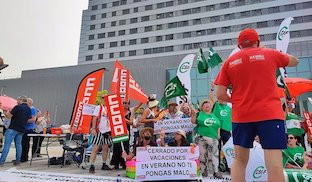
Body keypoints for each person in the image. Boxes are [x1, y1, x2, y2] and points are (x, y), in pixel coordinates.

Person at [214, 28, 299, 182]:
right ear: (258, 42)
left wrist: (237, 100)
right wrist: (271, 53)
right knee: (274, 165)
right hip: (270, 115)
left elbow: (219, 94)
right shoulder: (269, 53)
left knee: (240, 161)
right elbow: (295, 60)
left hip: (242, 116)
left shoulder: (229, 62)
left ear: (239, 45)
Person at [191, 98, 222, 178]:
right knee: (202, 155)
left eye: (208, 104)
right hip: (201, 138)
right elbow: (193, 121)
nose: (207, 105)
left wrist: (218, 134)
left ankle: (216, 171)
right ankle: (203, 170)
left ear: (211, 106)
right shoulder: (199, 114)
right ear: (202, 106)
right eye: (205, 104)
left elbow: (218, 126)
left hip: (213, 139)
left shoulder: (214, 115)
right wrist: (193, 115)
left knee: (214, 155)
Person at [0, 96, 31, 165]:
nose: (17, 101)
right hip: (22, 129)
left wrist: (6, 113)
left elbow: (9, 116)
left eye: (18, 100)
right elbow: (28, 119)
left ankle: (1, 161)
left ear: (21, 100)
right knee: (18, 145)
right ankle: (18, 161)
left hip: (13, 128)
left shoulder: (17, 107)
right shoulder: (29, 109)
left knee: (7, 145)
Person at [89, 95, 112, 173]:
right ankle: (91, 165)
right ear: (102, 99)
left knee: (105, 148)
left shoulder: (108, 108)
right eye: (104, 99)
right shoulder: (98, 107)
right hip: (99, 130)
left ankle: (104, 164)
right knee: (95, 148)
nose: (105, 100)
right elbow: (94, 118)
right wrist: (93, 128)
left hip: (107, 130)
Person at [21, 98, 37, 162]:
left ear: (29, 103)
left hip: (28, 129)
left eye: (26, 102)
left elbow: (33, 119)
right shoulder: (27, 109)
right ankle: (22, 156)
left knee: (25, 143)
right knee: (22, 143)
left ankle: (24, 157)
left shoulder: (32, 109)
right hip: (24, 128)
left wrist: (23, 121)